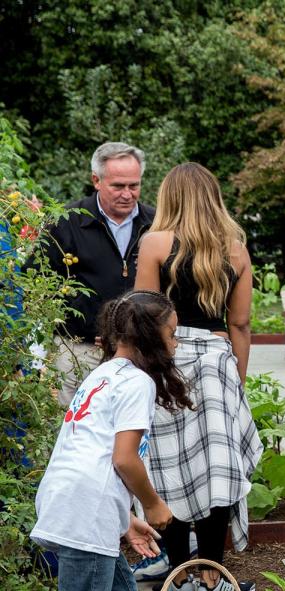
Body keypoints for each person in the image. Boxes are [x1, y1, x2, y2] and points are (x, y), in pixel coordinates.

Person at [22, 291, 190, 591]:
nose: (175, 344)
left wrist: (125, 518)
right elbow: (123, 459)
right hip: (85, 511)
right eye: (171, 334)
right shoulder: (137, 382)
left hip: (71, 499)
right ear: (151, 336)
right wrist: (152, 505)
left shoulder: (104, 374)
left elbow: (91, 454)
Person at [133, 163, 261, 591]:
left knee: (168, 469)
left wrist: (146, 371)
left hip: (166, 363)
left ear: (169, 196)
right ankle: (212, 578)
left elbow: (144, 316)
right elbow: (240, 324)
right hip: (216, 363)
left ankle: (180, 578)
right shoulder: (237, 251)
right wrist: (237, 381)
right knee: (217, 472)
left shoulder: (153, 243)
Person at [34, 143, 155, 407]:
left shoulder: (155, 223)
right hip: (79, 350)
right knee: (69, 425)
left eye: (134, 186)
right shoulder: (66, 222)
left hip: (139, 351)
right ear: (96, 180)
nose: (127, 194)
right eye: (118, 186)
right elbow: (36, 280)